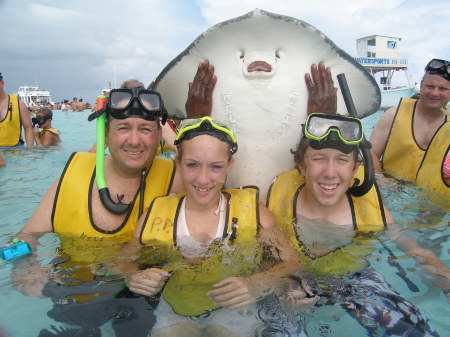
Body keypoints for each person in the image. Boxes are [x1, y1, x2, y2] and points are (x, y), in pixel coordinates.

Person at [14, 87, 184, 336]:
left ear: (159, 135)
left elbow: (211, 170)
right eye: (123, 128)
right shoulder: (72, 176)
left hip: (141, 295)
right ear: (106, 133)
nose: (134, 140)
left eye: (145, 129)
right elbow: (22, 238)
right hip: (73, 291)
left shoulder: (175, 178)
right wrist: (24, 268)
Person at [263, 113, 449, 335]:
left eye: (342, 160)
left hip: (354, 276)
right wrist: (284, 284)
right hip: (295, 280)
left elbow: (415, 252)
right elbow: (265, 258)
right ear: (302, 167)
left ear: (354, 169)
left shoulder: (368, 209)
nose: (330, 173)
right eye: (318, 158)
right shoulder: (276, 202)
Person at [117, 117, 300, 337]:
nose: (203, 179)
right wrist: (133, 275)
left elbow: (292, 261)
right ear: (178, 163)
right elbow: (121, 260)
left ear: (229, 166)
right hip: (177, 308)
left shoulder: (256, 214)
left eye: (215, 167)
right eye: (192, 165)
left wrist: (258, 282)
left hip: (236, 308)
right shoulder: (154, 215)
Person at [370, 58, 450, 185]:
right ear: (421, 85)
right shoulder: (393, 115)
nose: (435, 93)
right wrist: (379, 178)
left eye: (442, 89)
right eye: (430, 86)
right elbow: (371, 152)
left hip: (431, 201)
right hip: (393, 192)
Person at [0, 72, 34, 147]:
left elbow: (28, 127)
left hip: (15, 149)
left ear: (2, 83)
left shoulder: (19, 104)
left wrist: (30, 150)